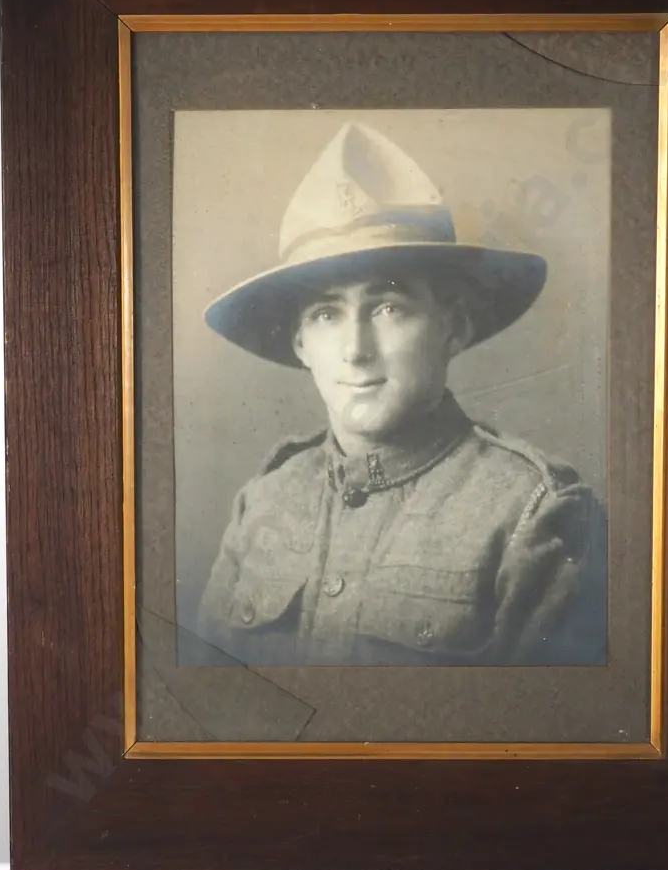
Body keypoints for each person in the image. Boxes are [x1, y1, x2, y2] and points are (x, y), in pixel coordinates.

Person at [196, 122, 604, 666]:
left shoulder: (533, 513)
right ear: (300, 344)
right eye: (326, 315)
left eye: (388, 308)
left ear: (453, 328)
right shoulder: (265, 502)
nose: (355, 350)